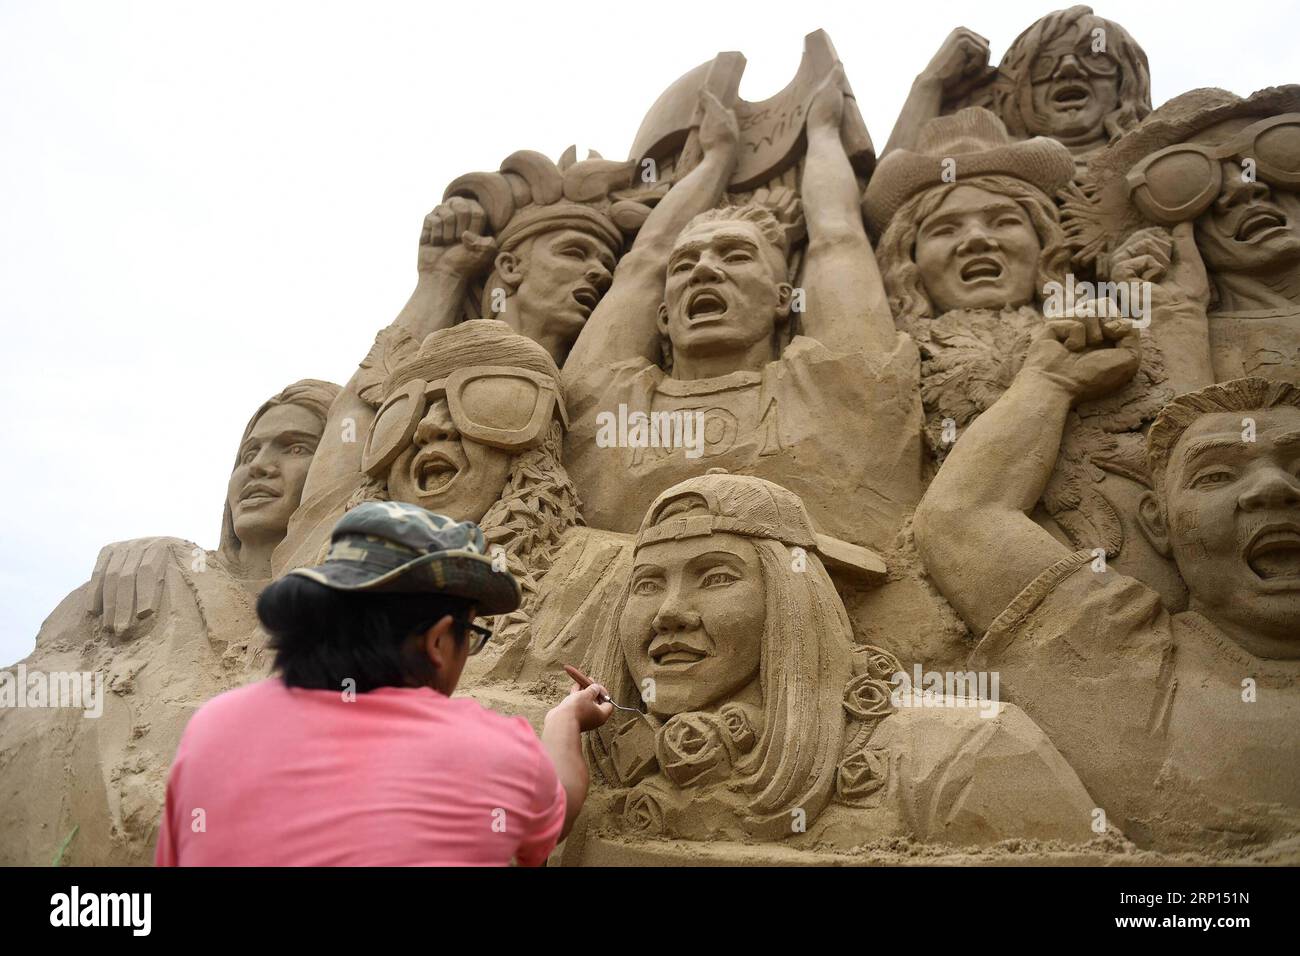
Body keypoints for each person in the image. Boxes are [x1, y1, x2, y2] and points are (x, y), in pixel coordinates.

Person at [913, 306, 1300, 851]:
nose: (1275, 489)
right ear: (1159, 527)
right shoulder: (1122, 662)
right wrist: (1050, 381)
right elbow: (964, 519)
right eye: (1215, 475)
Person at [563, 70, 924, 550]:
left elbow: (837, 238)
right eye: (686, 263)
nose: (704, 271)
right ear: (664, 317)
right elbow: (643, 263)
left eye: (734, 256)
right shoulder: (613, 405)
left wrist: (821, 132)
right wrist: (717, 158)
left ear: (782, 300)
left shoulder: (828, 390)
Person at [156, 501, 613, 866]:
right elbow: (558, 813)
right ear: (437, 641)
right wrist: (566, 718)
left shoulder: (212, 727)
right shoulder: (490, 750)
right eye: (470, 635)